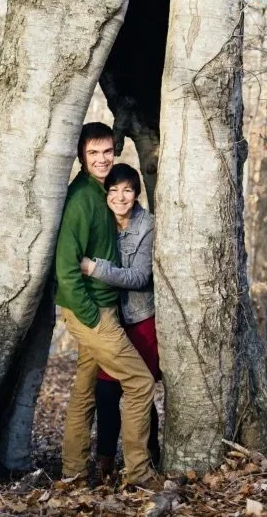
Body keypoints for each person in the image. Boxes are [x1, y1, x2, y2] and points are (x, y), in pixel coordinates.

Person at [54, 123, 159, 489]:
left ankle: (73, 469)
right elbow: (66, 268)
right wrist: (89, 316)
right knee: (140, 382)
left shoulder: (101, 193)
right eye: (93, 153)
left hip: (103, 308)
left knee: (84, 392)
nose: (101, 159)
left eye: (107, 152)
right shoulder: (81, 199)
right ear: (81, 155)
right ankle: (138, 473)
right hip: (93, 312)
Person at [80, 163, 160, 484]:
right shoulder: (100, 220)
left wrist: (93, 268)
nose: (120, 196)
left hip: (141, 319)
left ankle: (149, 456)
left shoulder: (147, 226)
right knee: (106, 390)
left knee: (139, 390)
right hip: (110, 318)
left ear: (137, 192)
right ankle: (105, 462)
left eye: (127, 189)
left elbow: (140, 277)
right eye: (113, 190)